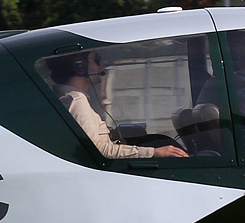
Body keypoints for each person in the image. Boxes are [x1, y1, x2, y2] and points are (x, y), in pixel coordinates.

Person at [49, 51, 187, 159]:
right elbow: (98, 150)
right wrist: (154, 153)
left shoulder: (71, 98)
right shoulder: (76, 101)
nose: (100, 67)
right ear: (80, 66)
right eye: (96, 61)